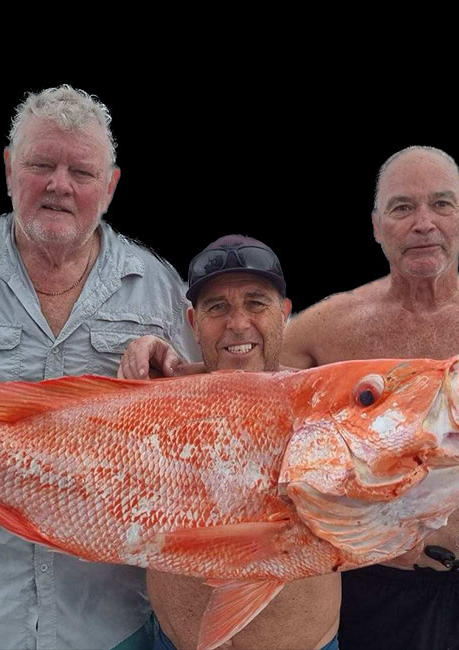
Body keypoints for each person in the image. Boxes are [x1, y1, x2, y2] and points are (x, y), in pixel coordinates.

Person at [0, 85, 199, 650]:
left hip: (115, 619)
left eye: (81, 173)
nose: (60, 184)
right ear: (10, 169)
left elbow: (201, 437)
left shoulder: (161, 287)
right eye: (41, 165)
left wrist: (170, 372)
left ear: (109, 187)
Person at [281, 146, 459, 649]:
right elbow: (242, 376)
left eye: (441, 204)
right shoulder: (325, 328)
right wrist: (166, 356)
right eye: (402, 208)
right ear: (376, 226)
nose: (423, 223)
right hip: (367, 591)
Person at [118, 235, 341, 650]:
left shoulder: (324, 405)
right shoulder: (159, 399)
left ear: (285, 313)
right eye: (217, 307)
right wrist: (143, 356)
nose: (238, 323)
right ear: (192, 322)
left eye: (256, 303)